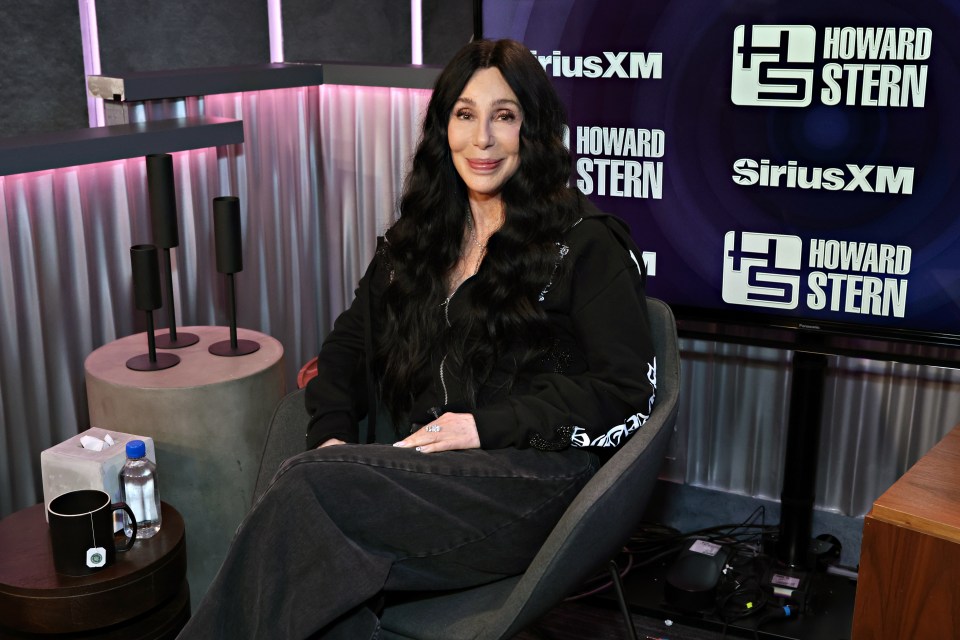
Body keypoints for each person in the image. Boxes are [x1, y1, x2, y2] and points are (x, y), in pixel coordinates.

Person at [177, 38, 656, 639]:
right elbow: (349, 344)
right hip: (418, 476)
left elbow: (625, 392)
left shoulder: (587, 245)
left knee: (305, 516)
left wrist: (481, 427)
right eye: (464, 114)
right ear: (442, 127)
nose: (482, 138)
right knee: (312, 538)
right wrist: (331, 442)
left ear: (533, 131)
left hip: (529, 484)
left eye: (504, 116)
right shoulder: (418, 240)